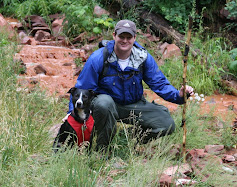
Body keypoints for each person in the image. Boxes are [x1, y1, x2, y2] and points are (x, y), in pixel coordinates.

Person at [66, 19, 194, 150]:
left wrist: (179, 95)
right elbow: (82, 89)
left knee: (166, 124)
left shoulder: (143, 58)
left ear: (134, 38)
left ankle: (123, 141)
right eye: (121, 36)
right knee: (104, 103)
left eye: (129, 37)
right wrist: (72, 116)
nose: (125, 41)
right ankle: (102, 149)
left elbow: (160, 84)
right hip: (104, 107)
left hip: (134, 105)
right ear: (114, 35)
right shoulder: (98, 58)